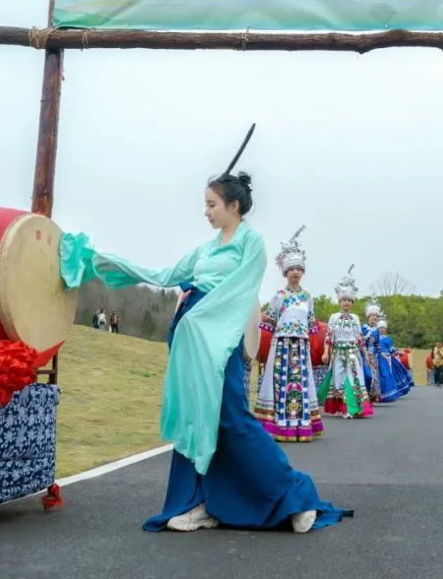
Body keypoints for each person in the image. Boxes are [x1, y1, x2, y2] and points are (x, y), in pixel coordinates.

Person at [60, 127, 349, 533]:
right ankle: (199, 502)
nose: (206, 212)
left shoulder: (251, 243)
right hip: (191, 337)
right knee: (194, 418)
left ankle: (295, 495)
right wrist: (98, 260)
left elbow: (239, 291)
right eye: (205, 204)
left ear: (233, 205)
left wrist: (199, 320)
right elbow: (161, 274)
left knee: (232, 417)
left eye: (212, 204)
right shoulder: (205, 249)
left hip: (220, 335)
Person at [254, 226, 324, 442]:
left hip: (301, 347)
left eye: (298, 269)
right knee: (280, 383)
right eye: (291, 269)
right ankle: (277, 425)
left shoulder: (308, 297)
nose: (295, 272)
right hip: (281, 346)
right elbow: (269, 324)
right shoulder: (278, 296)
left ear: (302, 272)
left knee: (300, 384)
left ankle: (301, 425)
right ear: (285, 272)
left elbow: (312, 326)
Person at [318, 266, 373, 418]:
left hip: (353, 353)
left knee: (354, 378)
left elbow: (360, 338)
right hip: (338, 353)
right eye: (344, 300)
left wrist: (365, 354)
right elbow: (329, 336)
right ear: (339, 301)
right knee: (339, 380)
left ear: (352, 302)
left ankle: (352, 408)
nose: (347, 303)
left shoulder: (355, 317)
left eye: (349, 300)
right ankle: (344, 407)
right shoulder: (334, 317)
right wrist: (325, 352)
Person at [361, 300, 383, 401]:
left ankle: (372, 395)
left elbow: (377, 343)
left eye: (377, 317)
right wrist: (367, 337)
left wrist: (380, 352)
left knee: (374, 376)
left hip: (373, 356)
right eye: (373, 316)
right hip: (363, 355)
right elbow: (360, 340)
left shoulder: (377, 331)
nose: (375, 318)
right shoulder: (363, 328)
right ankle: (363, 394)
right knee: (366, 375)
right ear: (368, 317)